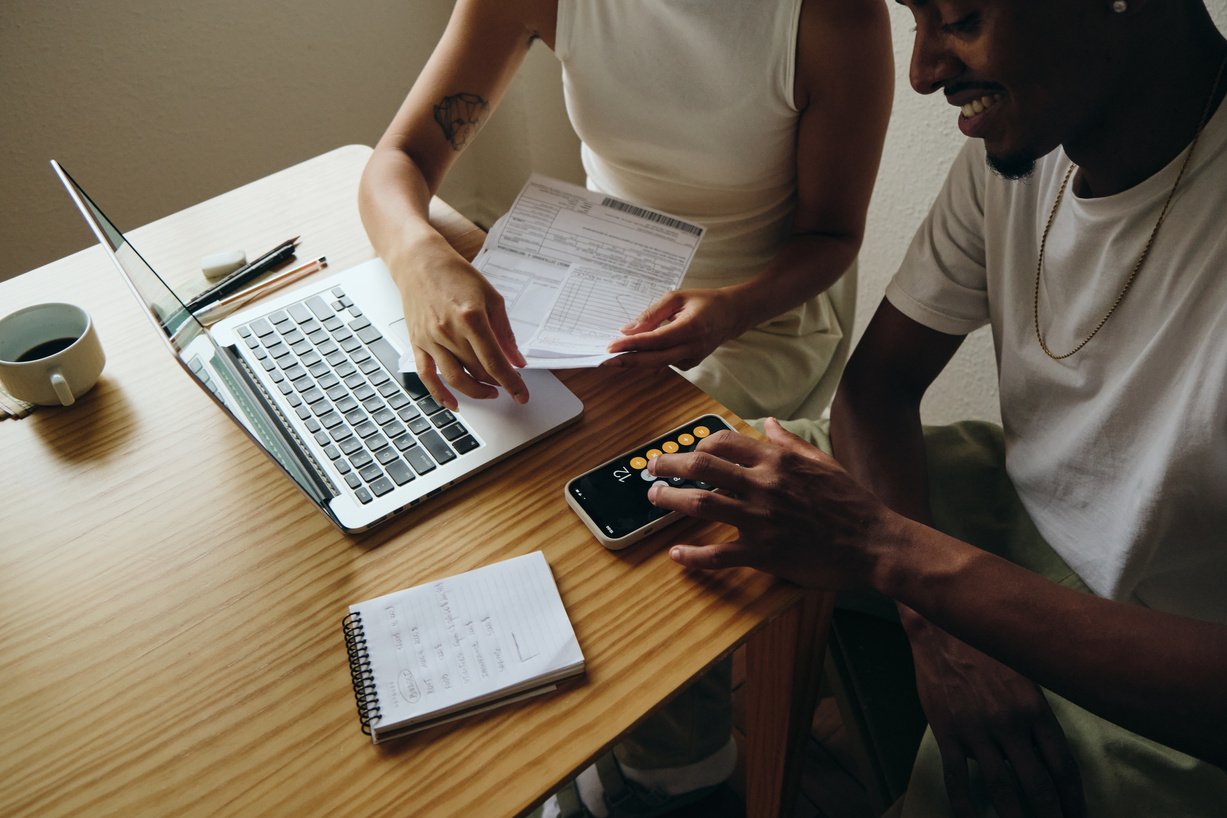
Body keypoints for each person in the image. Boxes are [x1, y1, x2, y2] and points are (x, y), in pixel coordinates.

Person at [645, 0, 1227, 816]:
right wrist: (936, 620)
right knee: (681, 487)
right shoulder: (1019, 158)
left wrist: (897, 554)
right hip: (1015, 503)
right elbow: (876, 389)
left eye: (959, 15)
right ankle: (671, 788)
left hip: (1166, 639)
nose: (921, 74)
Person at [358, 0, 892, 814]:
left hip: (758, 313)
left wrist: (727, 308)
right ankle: (556, 717)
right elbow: (395, 160)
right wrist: (419, 258)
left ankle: (676, 776)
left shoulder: (831, 17)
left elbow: (831, 236)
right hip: (599, 281)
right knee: (484, 442)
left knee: (642, 494)